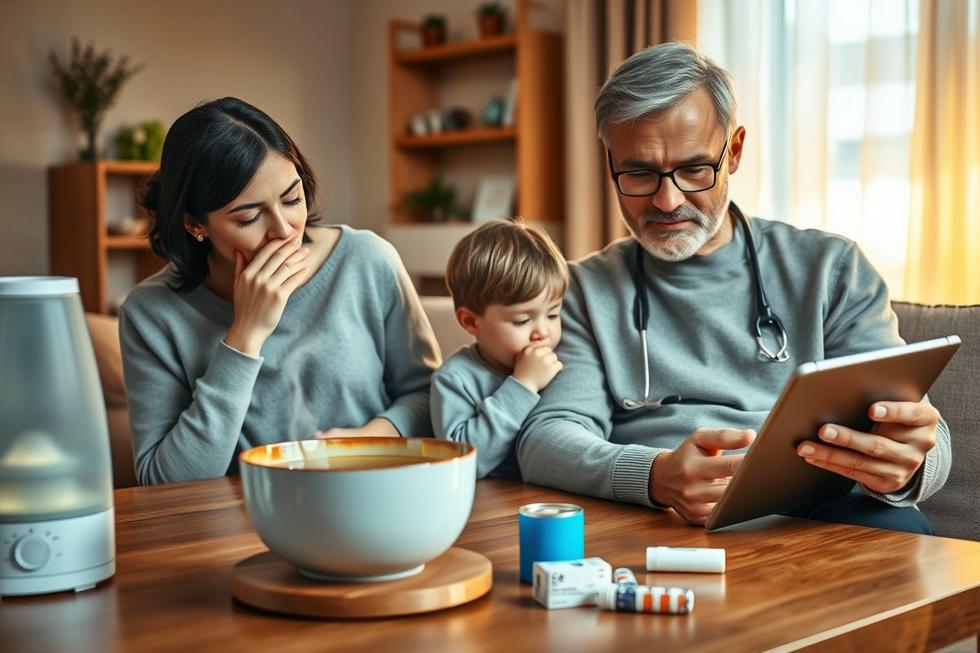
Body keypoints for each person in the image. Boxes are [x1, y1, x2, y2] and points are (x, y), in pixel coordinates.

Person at [516, 43, 951, 533]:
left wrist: (907, 465)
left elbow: (921, 427)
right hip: (662, 514)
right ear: (609, 159)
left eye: (694, 169)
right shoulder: (583, 290)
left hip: (816, 509)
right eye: (638, 173)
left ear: (735, 151)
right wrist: (652, 476)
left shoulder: (831, 268)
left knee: (906, 534)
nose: (667, 199)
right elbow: (546, 438)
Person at [120, 97, 439, 485]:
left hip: (370, 497)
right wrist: (245, 337)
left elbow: (431, 397)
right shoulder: (151, 312)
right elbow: (163, 482)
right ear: (194, 224)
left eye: (292, 198)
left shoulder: (366, 260)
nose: (285, 230)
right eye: (249, 217)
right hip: (238, 527)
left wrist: (372, 438)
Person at [431, 220, 567, 478]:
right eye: (522, 321)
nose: (543, 332)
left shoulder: (563, 358)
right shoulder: (454, 380)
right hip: (496, 504)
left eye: (553, 314)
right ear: (471, 322)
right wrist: (523, 384)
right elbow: (466, 462)